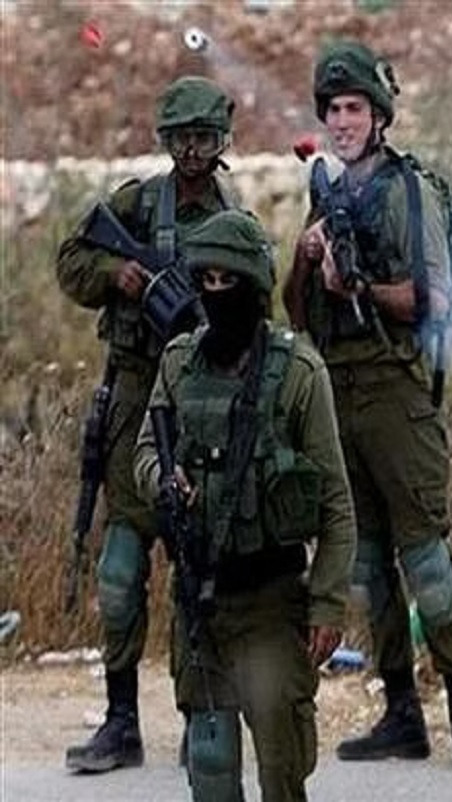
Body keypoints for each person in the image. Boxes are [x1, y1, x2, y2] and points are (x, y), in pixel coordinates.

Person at [281, 39, 452, 771]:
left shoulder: (409, 191)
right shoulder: (326, 194)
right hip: (336, 396)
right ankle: (401, 712)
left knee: (427, 565)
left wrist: (359, 287)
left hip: (397, 393)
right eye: (333, 110)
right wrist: (306, 258)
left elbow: (437, 299)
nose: (341, 122)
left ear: (378, 116)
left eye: (353, 108)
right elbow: (296, 315)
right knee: (367, 565)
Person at [134, 209, 356, 801]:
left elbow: (336, 502)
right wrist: (164, 478)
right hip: (199, 601)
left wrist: (328, 602)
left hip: (272, 602)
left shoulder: (298, 372)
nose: (216, 293)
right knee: (210, 771)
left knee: (282, 769)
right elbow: (145, 453)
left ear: (254, 286)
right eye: (205, 281)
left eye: (227, 281)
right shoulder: (178, 361)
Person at [56, 74, 239, 773]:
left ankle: (201, 716)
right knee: (119, 572)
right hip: (136, 399)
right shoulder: (137, 205)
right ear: (166, 141)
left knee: (198, 576)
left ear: (221, 142)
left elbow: (258, 305)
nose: (192, 151)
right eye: (182, 138)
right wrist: (117, 274)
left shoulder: (234, 219)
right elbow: (71, 261)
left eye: (204, 138)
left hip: (204, 405)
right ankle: (121, 720)